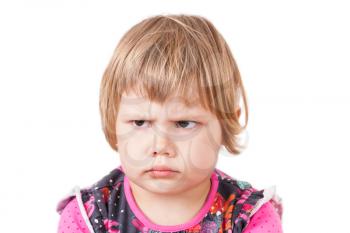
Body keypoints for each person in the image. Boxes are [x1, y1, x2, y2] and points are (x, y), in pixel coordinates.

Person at [56, 14, 283, 233]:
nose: (161, 145)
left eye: (184, 123)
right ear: (112, 121)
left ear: (226, 124)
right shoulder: (89, 215)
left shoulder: (249, 216)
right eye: (140, 122)